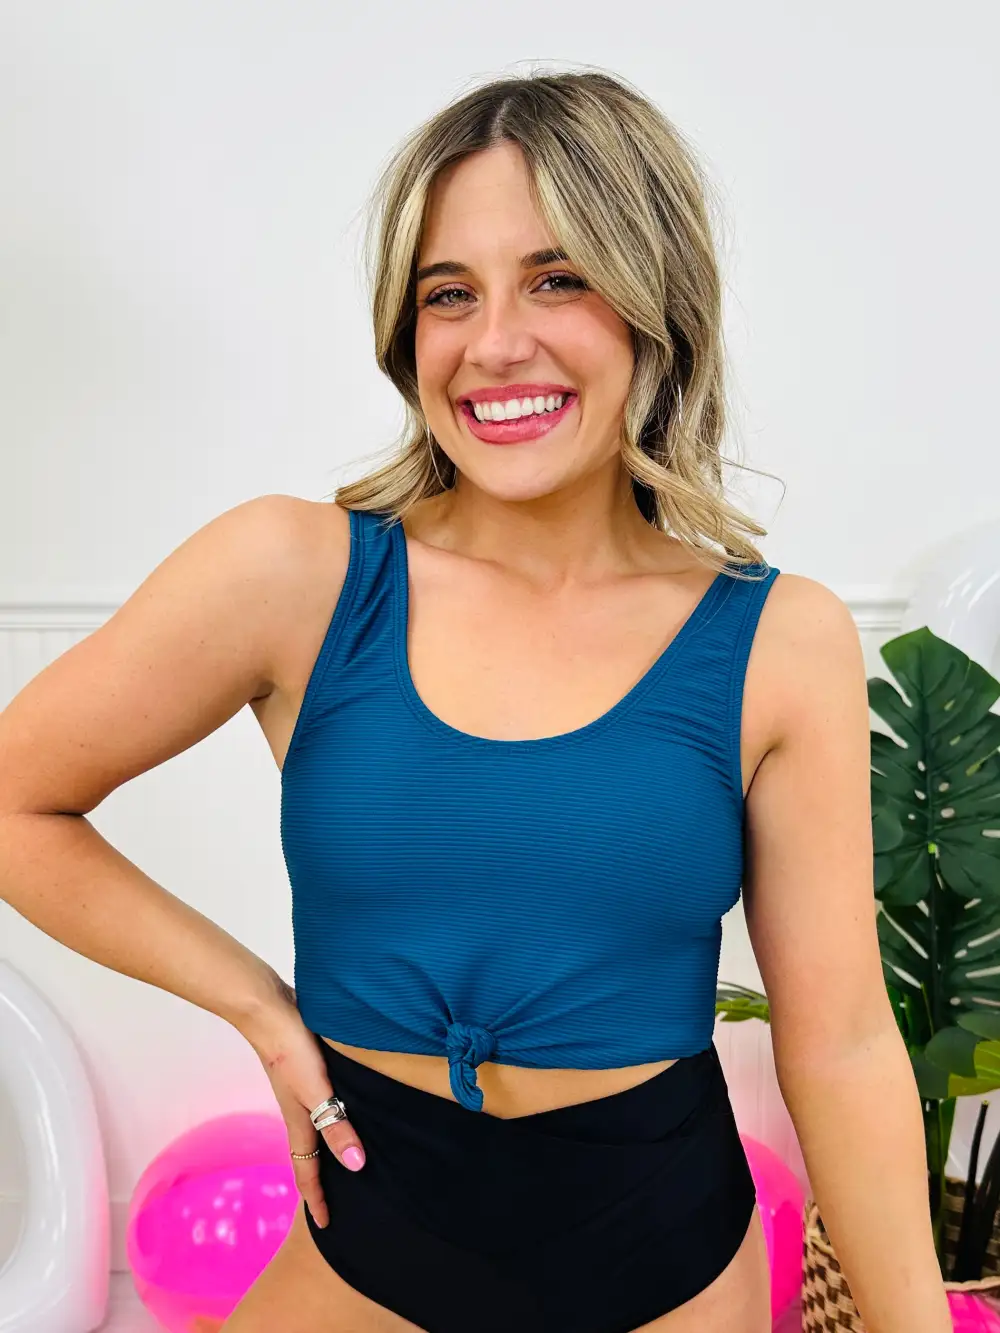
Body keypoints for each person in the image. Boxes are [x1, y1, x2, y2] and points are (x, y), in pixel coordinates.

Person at [0, 66, 951, 1333]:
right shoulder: (292, 574)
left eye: (557, 279)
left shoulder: (778, 639)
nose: (495, 343)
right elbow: (17, 798)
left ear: (656, 304)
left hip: (663, 1254)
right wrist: (257, 1006)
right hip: (372, 1233)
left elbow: (839, 1042)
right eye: (449, 293)